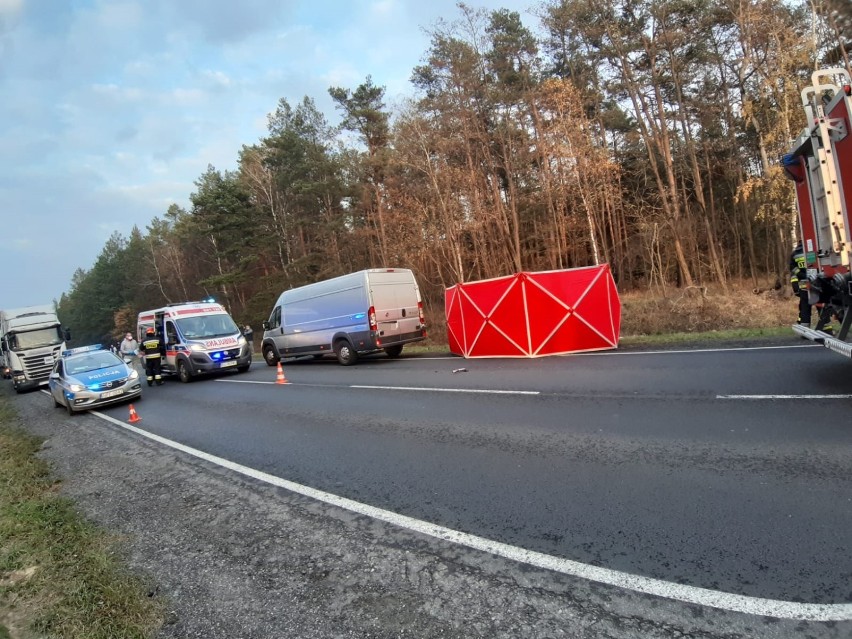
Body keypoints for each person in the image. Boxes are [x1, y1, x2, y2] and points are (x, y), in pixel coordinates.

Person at [789, 240, 810, 326]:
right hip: (817, 282)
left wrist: (800, 275)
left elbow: (792, 268)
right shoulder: (812, 251)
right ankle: (826, 328)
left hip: (803, 283)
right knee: (820, 304)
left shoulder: (794, 254)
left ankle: (804, 327)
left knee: (804, 305)